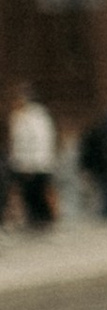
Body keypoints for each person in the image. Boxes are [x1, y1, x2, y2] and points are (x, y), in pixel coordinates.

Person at [7, 83, 57, 232]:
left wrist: (28, 163)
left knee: (36, 194)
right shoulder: (22, 117)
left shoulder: (34, 118)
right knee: (29, 194)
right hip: (29, 163)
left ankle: (42, 220)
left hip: (34, 164)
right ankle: (35, 220)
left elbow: (36, 142)